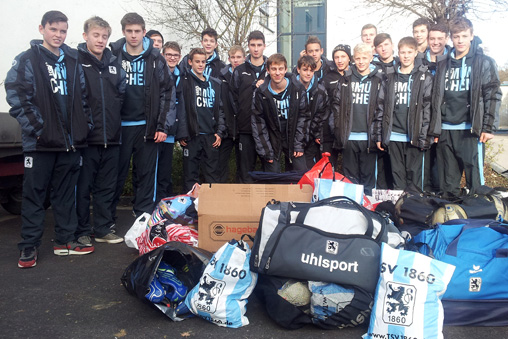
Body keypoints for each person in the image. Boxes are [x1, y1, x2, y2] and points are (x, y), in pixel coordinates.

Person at [6, 10, 94, 268]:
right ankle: (28, 247)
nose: (58, 35)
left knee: (65, 195)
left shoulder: (73, 60)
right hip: (40, 143)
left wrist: (83, 127)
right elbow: (17, 95)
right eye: (53, 29)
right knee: (34, 196)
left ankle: (64, 240)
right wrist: (38, 129)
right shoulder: (27, 60)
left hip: (70, 144)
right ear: (41, 29)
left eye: (63, 30)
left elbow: (83, 99)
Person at [110, 13, 175, 218]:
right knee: (114, 176)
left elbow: (168, 93)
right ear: (123, 32)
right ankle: (107, 221)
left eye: (137, 31)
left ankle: (143, 218)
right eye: (129, 31)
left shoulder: (156, 58)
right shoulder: (112, 55)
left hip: (146, 126)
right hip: (119, 127)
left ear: (144, 32)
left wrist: (162, 126)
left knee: (146, 176)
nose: (133, 35)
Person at [430, 17, 501, 197]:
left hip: (470, 131)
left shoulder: (483, 62)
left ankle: (478, 219)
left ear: (472, 36)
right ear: (451, 39)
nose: (460, 40)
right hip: (446, 131)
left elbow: (492, 94)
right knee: (447, 185)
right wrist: (435, 129)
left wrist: (488, 126)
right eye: (456, 36)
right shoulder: (442, 63)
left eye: (464, 36)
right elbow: (435, 98)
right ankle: (451, 220)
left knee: (476, 185)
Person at [76, 16, 126, 245]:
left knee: (106, 188)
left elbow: (121, 97)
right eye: (96, 35)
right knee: (83, 188)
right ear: (85, 35)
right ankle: (82, 230)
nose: (100, 40)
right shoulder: (76, 61)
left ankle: (103, 229)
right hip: (87, 140)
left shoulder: (115, 65)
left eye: (104, 36)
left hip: (113, 139)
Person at [375, 37, 433, 190]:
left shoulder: (424, 77)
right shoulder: (389, 77)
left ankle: (414, 211)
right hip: (394, 135)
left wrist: (425, 135)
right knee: (397, 180)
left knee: (414, 180)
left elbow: (427, 109)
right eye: (402, 52)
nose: (406, 56)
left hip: (413, 137)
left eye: (409, 52)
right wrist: (380, 135)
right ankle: (399, 212)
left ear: (416, 53)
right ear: (398, 53)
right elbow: (380, 106)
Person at [331, 43, 384, 195]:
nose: (361, 62)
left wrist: (378, 135)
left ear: (371, 58)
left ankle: (369, 212)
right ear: (353, 59)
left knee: (368, 180)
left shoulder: (378, 80)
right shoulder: (346, 79)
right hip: (349, 137)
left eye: (364, 58)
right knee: (350, 180)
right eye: (358, 58)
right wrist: (338, 130)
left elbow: (381, 109)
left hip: (369, 138)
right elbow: (336, 106)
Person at [176, 48, 225, 192]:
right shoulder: (184, 82)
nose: (200, 65)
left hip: (210, 136)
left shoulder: (215, 84)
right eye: (197, 61)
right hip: (192, 136)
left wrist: (220, 132)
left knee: (212, 175)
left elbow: (220, 110)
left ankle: (212, 208)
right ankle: (191, 209)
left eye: (203, 62)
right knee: (190, 175)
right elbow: (181, 108)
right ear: (190, 62)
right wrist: (182, 133)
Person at [251, 53, 310, 173]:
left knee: (301, 175)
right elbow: (258, 123)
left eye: (280, 69)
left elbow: (303, 117)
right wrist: (266, 151)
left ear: (285, 69)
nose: (277, 73)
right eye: (273, 69)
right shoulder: (261, 92)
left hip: (292, 134)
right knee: (273, 178)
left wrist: (299, 144)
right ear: (267, 70)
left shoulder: (297, 88)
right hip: (272, 136)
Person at [232, 30, 267, 183]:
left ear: (264, 46)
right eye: (253, 45)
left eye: (259, 45)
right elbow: (233, 99)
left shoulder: (271, 69)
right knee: (245, 173)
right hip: (245, 129)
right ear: (248, 47)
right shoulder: (240, 70)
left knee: (269, 171)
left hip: (266, 129)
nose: (256, 48)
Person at [157, 41, 182, 200]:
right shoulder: (157, 73)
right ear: (163, 55)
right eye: (169, 55)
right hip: (158, 129)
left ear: (179, 57)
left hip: (172, 131)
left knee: (165, 171)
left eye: (175, 55)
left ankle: (163, 202)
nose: (172, 58)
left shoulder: (183, 75)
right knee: (154, 170)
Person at [217, 45, 245, 183]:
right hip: (226, 128)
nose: (236, 60)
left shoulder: (247, 76)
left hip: (242, 128)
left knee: (243, 166)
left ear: (244, 58)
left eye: (239, 57)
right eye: (233, 57)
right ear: (229, 59)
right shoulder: (221, 77)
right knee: (221, 165)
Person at [321, 44, 352, 167]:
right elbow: (323, 106)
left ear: (349, 58)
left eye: (343, 56)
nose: (340, 60)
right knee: (328, 168)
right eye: (336, 57)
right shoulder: (327, 78)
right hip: (330, 130)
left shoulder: (354, 76)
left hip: (349, 130)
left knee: (349, 169)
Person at [296, 55, 328, 169]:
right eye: (305, 70)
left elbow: (321, 115)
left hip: (311, 138)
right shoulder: (290, 88)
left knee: (310, 172)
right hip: (294, 139)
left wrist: (316, 133)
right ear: (298, 69)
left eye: (311, 70)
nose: (308, 73)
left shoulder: (320, 91)